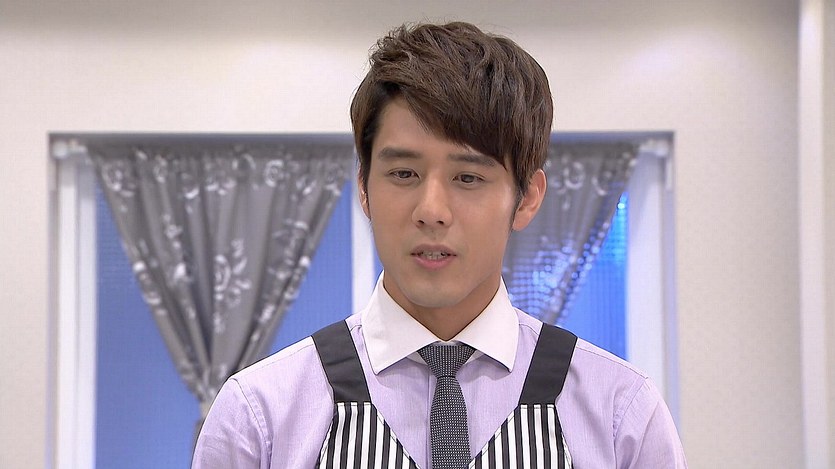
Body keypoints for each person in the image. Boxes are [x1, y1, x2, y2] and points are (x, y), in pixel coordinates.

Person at [192, 21, 687, 468]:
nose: (431, 210)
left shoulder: (621, 415)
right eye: (403, 173)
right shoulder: (260, 417)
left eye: (468, 177)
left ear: (527, 198)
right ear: (364, 187)